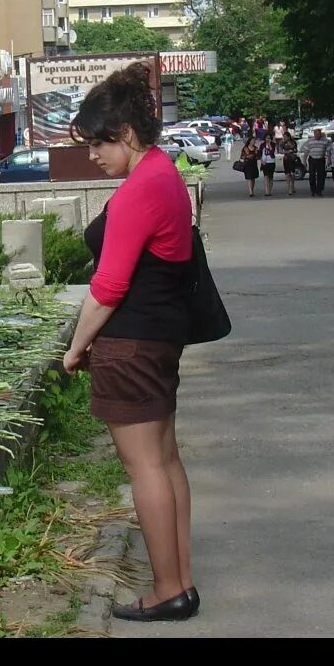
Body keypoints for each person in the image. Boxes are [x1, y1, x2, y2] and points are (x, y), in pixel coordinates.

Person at [61, 61, 198, 623]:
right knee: (165, 461)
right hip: (161, 338)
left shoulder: (141, 188)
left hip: (131, 344)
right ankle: (181, 580)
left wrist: (73, 349)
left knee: (145, 469)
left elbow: (109, 285)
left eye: (98, 144)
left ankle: (166, 590)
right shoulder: (165, 172)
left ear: (125, 135)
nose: (92, 156)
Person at [302, 127, 330, 197]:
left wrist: (329, 160)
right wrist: (304, 161)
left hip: (321, 159)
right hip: (312, 159)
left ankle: (319, 190)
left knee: (321, 175)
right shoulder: (309, 141)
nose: (318, 135)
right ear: (314, 134)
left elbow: (328, 151)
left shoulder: (325, 141)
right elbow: (306, 152)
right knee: (312, 175)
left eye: (319, 134)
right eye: (316, 134)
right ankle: (313, 190)